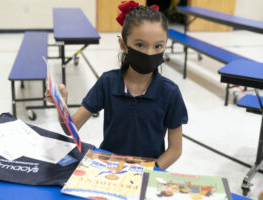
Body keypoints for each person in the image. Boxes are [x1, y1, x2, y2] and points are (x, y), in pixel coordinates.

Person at [45, 1, 188, 169]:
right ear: (123, 45)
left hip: (148, 173)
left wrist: (150, 170)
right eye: (140, 45)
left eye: (158, 46)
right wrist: (61, 104)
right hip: (108, 169)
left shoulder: (170, 93)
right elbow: (71, 129)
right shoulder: (108, 82)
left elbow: (175, 150)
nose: (150, 53)